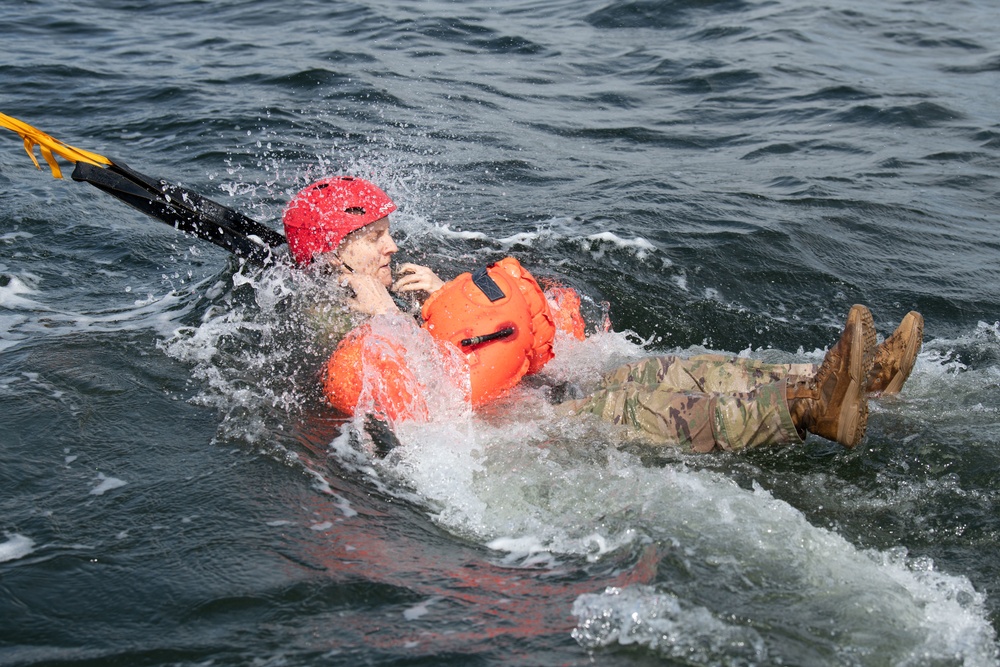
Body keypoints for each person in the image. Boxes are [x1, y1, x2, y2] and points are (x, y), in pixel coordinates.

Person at [281, 176, 924, 453]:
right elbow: (420, 404)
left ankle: (845, 378)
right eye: (373, 239)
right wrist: (386, 314)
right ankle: (809, 410)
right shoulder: (333, 320)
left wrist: (437, 299)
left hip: (532, 393)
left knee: (658, 370)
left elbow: (461, 346)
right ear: (335, 256)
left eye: (388, 232)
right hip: (504, 438)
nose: (391, 245)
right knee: (637, 406)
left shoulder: (382, 293)